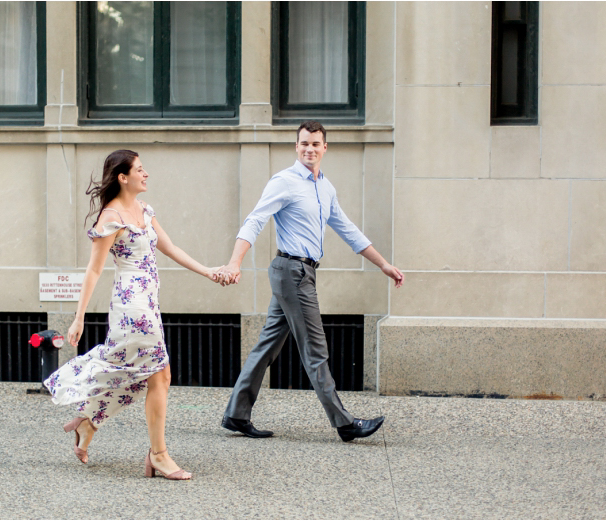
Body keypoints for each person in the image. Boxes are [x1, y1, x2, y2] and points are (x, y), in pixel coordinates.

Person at [217, 121, 404, 442]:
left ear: (324, 148)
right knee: (315, 349)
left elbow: (347, 229)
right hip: (291, 272)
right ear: (296, 146)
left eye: (316, 144)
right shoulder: (284, 182)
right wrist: (235, 262)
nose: (309, 149)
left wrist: (383, 264)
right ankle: (345, 423)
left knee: (266, 346)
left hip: (301, 272)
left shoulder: (324, 188)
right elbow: (255, 220)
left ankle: (236, 413)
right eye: (304, 143)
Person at [44, 149, 223, 480]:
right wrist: (79, 317)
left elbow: (171, 248)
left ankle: (89, 422)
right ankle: (158, 455)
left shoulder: (144, 210)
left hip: (150, 303)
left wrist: (209, 272)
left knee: (139, 375)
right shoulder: (111, 219)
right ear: (123, 177)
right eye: (140, 169)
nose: (146, 174)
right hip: (132, 309)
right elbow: (94, 270)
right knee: (160, 376)